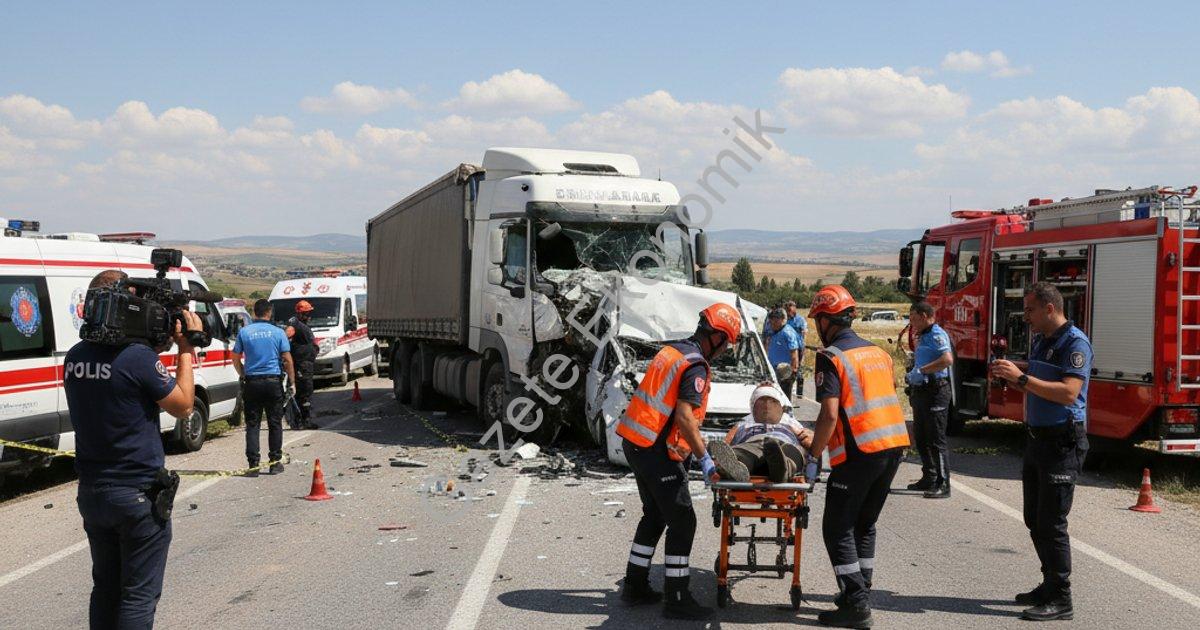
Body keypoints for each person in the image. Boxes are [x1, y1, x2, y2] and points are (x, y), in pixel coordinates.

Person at [65, 269, 203, 630]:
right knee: (138, 595)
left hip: (93, 491)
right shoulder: (137, 359)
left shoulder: (75, 356)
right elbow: (184, 405)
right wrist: (186, 348)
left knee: (106, 589)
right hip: (136, 493)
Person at [616, 303, 742, 620]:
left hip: (637, 442)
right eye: (726, 343)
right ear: (715, 337)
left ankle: (634, 585)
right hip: (656, 449)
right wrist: (706, 461)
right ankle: (676, 597)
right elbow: (685, 418)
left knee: (656, 515)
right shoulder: (695, 366)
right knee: (683, 520)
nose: (725, 350)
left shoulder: (674, 352)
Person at [806, 285, 909, 628]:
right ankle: (860, 589)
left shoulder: (831, 356)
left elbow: (829, 414)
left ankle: (856, 604)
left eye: (817, 320)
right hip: (893, 445)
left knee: (836, 528)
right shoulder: (878, 353)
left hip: (860, 452)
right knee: (864, 524)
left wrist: (813, 455)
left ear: (824, 320)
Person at [990, 282, 1092, 622]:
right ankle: (1049, 584)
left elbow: (1067, 392)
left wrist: (1021, 379)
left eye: (1031, 310)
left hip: (1062, 441)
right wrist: (1013, 370)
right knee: (1034, 518)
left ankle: (1062, 598)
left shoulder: (1074, 343)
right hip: (1037, 441)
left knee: (1052, 522)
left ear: (1050, 308)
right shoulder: (1041, 340)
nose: (1026, 317)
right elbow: (1039, 379)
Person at [232, 299, 296, 476]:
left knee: (253, 424)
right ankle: (275, 463)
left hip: (252, 383)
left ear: (254, 312)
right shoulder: (278, 332)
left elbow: (235, 358)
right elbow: (288, 359)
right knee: (275, 423)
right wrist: (292, 382)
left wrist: (243, 373)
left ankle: (253, 465)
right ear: (269, 312)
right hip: (273, 382)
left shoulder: (244, 332)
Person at [707, 383, 814, 483]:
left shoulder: (789, 421)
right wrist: (719, 456)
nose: (766, 403)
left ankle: (782, 469)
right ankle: (735, 467)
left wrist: (809, 441)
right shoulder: (745, 421)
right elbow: (728, 441)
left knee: (791, 452)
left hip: (783, 444)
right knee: (742, 453)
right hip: (752, 443)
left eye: (771, 400)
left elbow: (807, 438)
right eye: (762, 399)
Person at [905, 301, 954, 498]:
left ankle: (944, 483)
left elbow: (947, 359)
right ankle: (929, 477)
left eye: (915, 319)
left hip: (936, 390)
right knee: (921, 436)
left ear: (925, 316)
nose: (913, 324)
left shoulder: (936, 334)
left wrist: (923, 370)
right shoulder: (923, 335)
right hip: (922, 390)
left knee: (936, 440)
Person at [285, 300, 319, 429]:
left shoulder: (302, 325)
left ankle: (304, 420)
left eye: (309, 313)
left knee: (307, 392)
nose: (309, 316)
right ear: (299, 313)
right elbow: (286, 334)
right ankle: (301, 421)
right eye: (306, 313)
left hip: (306, 364)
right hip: (301, 366)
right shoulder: (295, 324)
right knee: (303, 393)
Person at [763, 307, 802, 402]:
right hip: (774, 370)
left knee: (784, 399)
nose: (772, 323)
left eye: (774, 320)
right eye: (771, 320)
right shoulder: (775, 331)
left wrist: (791, 373)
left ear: (782, 320)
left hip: (784, 372)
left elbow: (794, 354)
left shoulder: (788, 333)